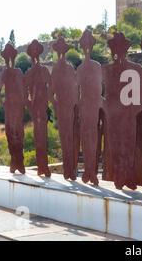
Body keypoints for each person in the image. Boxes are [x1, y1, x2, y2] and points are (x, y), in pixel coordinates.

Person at [102, 32, 142, 190]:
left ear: (126, 50)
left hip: (128, 114)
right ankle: (119, 175)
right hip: (113, 115)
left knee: (128, 145)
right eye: (115, 48)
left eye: (121, 48)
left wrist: (135, 110)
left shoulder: (136, 69)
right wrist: (105, 106)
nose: (118, 51)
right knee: (115, 146)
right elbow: (96, 92)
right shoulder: (106, 69)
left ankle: (129, 176)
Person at [51, 37, 80, 181]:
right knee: (66, 139)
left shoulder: (67, 68)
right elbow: (51, 91)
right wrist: (56, 105)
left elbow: (74, 88)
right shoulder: (58, 69)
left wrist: (74, 105)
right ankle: (68, 170)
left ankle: (70, 169)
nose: (61, 54)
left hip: (67, 107)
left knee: (68, 138)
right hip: (64, 107)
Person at [77, 30, 102, 185]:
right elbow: (77, 89)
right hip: (84, 106)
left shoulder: (96, 66)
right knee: (86, 139)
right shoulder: (79, 69)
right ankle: (88, 170)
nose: (87, 48)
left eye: (89, 45)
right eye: (84, 46)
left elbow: (99, 88)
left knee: (93, 138)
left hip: (93, 106)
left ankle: (92, 172)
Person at [0, 43, 26, 174]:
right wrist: (3, 103)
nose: (9, 60)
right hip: (13, 106)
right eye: (7, 57)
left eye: (10, 57)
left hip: (15, 106)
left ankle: (17, 162)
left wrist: (4, 102)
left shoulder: (16, 72)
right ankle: (15, 162)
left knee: (17, 132)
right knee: (12, 132)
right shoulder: (9, 73)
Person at [24, 40, 52, 177]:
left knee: (43, 136)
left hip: (43, 106)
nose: (34, 54)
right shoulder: (29, 72)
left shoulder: (44, 70)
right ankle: (41, 166)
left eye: (36, 51)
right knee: (37, 135)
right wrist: (28, 103)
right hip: (35, 108)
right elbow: (24, 89)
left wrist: (51, 103)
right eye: (32, 51)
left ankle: (44, 166)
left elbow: (51, 87)